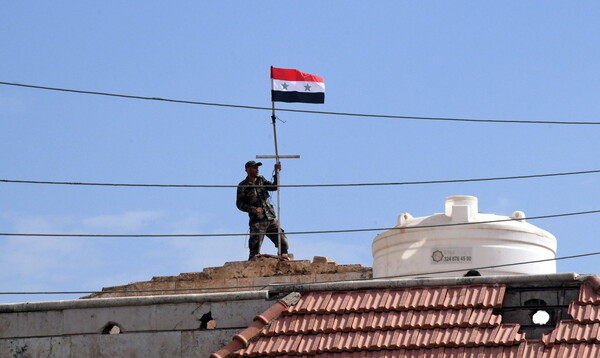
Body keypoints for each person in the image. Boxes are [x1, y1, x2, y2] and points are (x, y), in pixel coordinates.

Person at [236, 160, 289, 260]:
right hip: (257, 221)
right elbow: (239, 204)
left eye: (257, 167)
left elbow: (274, 187)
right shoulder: (243, 186)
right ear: (247, 169)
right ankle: (253, 268)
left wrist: (277, 173)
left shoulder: (261, 180)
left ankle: (283, 260)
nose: (257, 169)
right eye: (254, 167)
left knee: (283, 242)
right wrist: (253, 209)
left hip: (270, 218)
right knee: (254, 250)